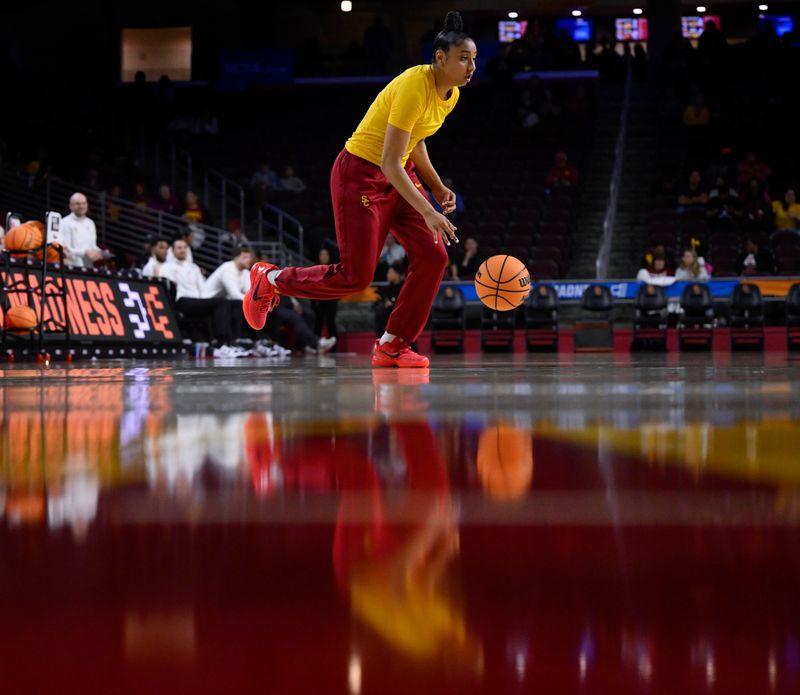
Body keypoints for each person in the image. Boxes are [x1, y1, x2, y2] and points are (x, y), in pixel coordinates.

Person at [243, 11, 474, 368]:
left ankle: (393, 343)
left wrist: (436, 185)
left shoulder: (452, 94)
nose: (471, 65)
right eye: (463, 58)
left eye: (474, 58)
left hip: (397, 172)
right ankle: (270, 279)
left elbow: (415, 140)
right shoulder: (415, 85)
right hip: (361, 174)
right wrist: (428, 210)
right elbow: (388, 163)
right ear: (440, 58)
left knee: (434, 256)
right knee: (356, 276)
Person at [161, 238, 238, 354]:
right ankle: (221, 343)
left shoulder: (194, 267)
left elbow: (203, 289)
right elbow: (170, 289)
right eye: (179, 248)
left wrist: (207, 301)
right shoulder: (166, 268)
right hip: (181, 300)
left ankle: (229, 342)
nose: (182, 250)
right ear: (173, 250)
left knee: (226, 303)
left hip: (197, 301)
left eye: (185, 248)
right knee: (221, 302)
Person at [57, 192, 104, 268]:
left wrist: (101, 253)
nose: (81, 206)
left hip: (89, 267)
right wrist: (85, 252)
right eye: (78, 204)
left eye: (84, 203)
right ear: (71, 206)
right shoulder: (64, 222)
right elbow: (65, 249)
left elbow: (93, 246)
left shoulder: (90, 223)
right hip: (72, 267)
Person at [311, 248, 338, 344]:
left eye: (326, 254)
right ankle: (316, 344)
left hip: (331, 299)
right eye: (322, 254)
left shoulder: (334, 268)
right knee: (318, 322)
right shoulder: (314, 268)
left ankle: (334, 347)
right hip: (318, 299)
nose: (324, 256)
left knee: (331, 322)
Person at [374, 263, 405, 336]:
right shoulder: (389, 288)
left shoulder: (404, 288)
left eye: (390, 272)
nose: (388, 274)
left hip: (402, 317)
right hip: (388, 316)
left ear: (397, 274)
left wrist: (392, 303)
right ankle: (380, 339)